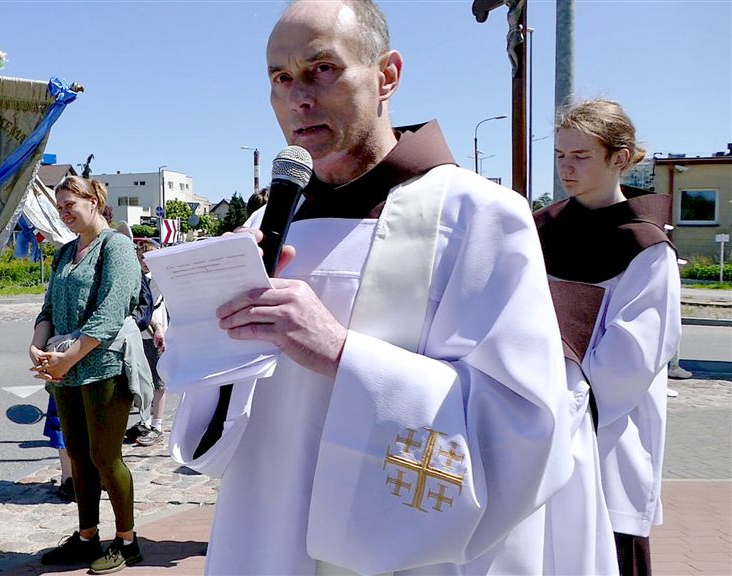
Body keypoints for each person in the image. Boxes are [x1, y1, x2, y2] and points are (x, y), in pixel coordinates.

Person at [167, 2, 583, 574]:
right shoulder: (263, 227)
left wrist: (342, 353)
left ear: (387, 75)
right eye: (281, 78)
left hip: (405, 549)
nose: (299, 97)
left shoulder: (479, 216)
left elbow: (522, 422)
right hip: (267, 529)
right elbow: (217, 420)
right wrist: (205, 332)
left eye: (322, 69)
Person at [536, 99, 682, 575]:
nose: (566, 168)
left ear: (619, 158)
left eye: (581, 156)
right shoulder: (538, 231)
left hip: (605, 435)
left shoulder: (645, 247)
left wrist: (562, 397)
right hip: (535, 426)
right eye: (561, 155)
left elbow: (632, 358)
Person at [29, 176, 145, 574]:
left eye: (70, 205)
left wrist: (68, 358)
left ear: (93, 201)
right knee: (77, 455)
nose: (64, 213)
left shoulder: (116, 246)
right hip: (66, 370)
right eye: (60, 207)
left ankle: (127, 540)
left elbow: (111, 312)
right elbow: (48, 308)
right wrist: (37, 345)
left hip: (104, 366)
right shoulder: (65, 252)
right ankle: (86, 535)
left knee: (105, 457)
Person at [134, 240, 168, 447]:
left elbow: (151, 307)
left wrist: (158, 328)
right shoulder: (137, 276)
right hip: (140, 334)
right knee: (141, 381)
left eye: (150, 259)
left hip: (157, 334)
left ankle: (157, 425)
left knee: (158, 381)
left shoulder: (158, 279)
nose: (145, 262)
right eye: (142, 258)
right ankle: (145, 421)